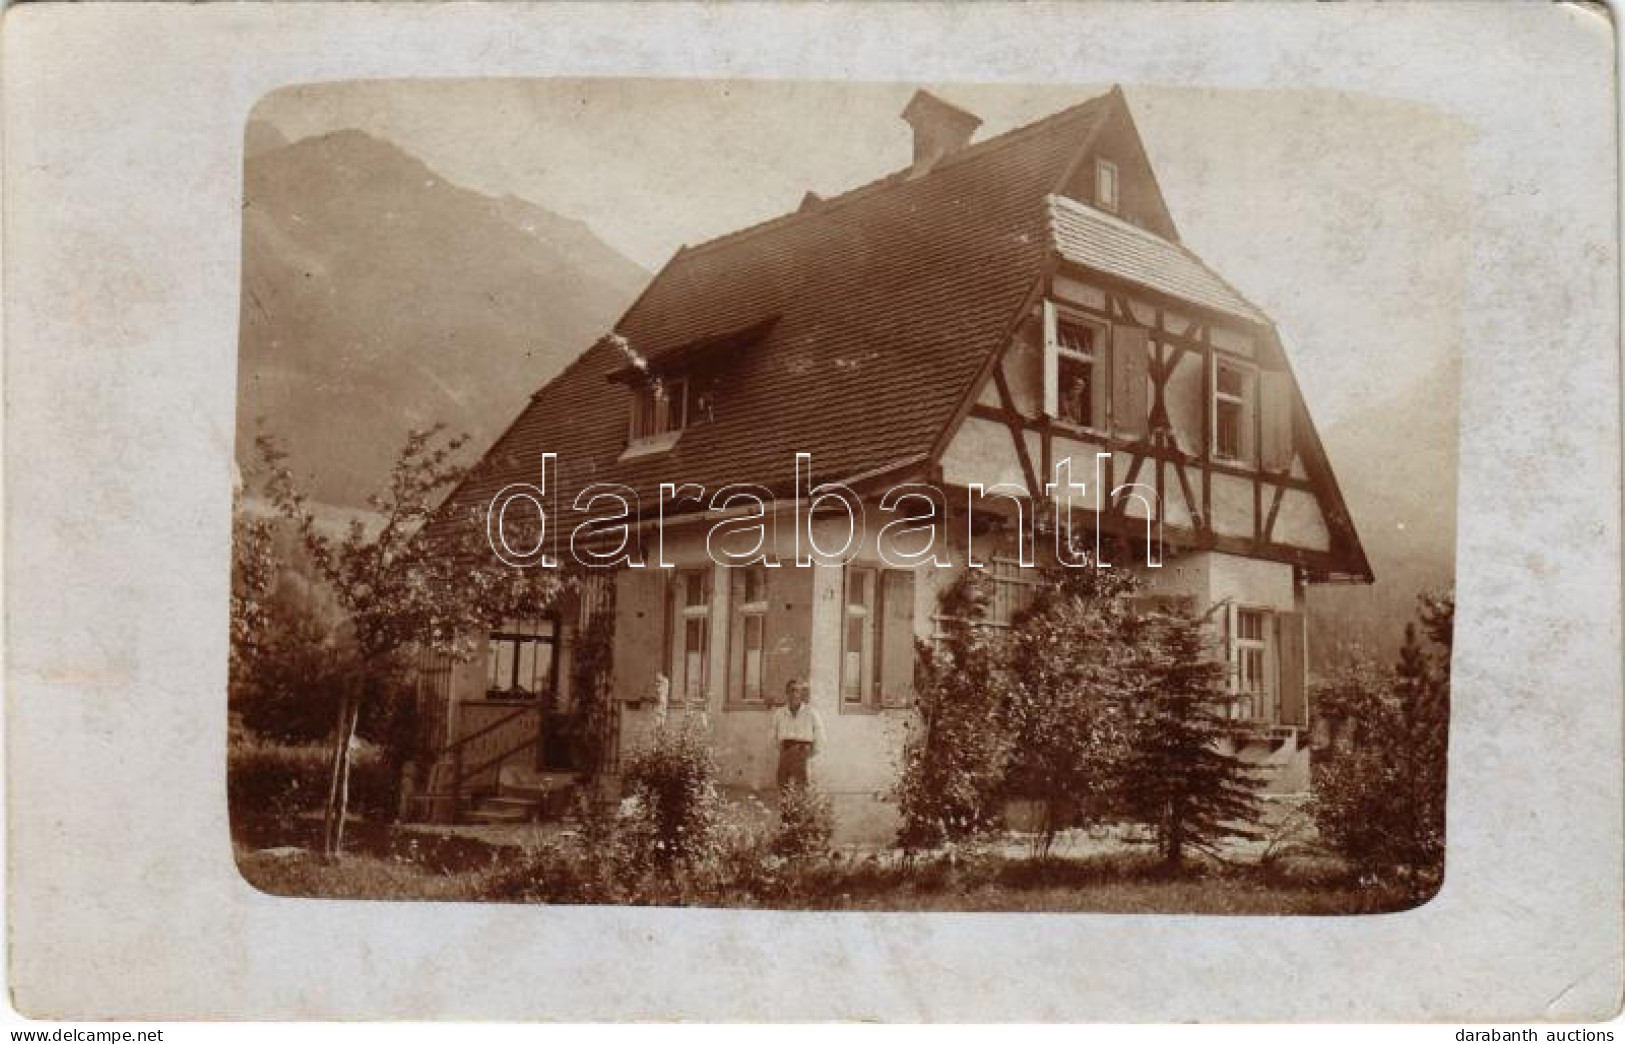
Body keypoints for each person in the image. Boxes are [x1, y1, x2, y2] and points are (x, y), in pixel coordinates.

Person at [772, 678, 825, 791]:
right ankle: (785, 808)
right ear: (786, 693)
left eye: (797, 691)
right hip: (786, 752)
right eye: (791, 691)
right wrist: (781, 748)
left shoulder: (811, 712)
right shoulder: (779, 713)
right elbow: (772, 734)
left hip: (803, 752)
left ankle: (801, 808)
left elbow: (820, 735)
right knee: (783, 784)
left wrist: (811, 754)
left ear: (801, 694)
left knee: (803, 786)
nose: (794, 694)